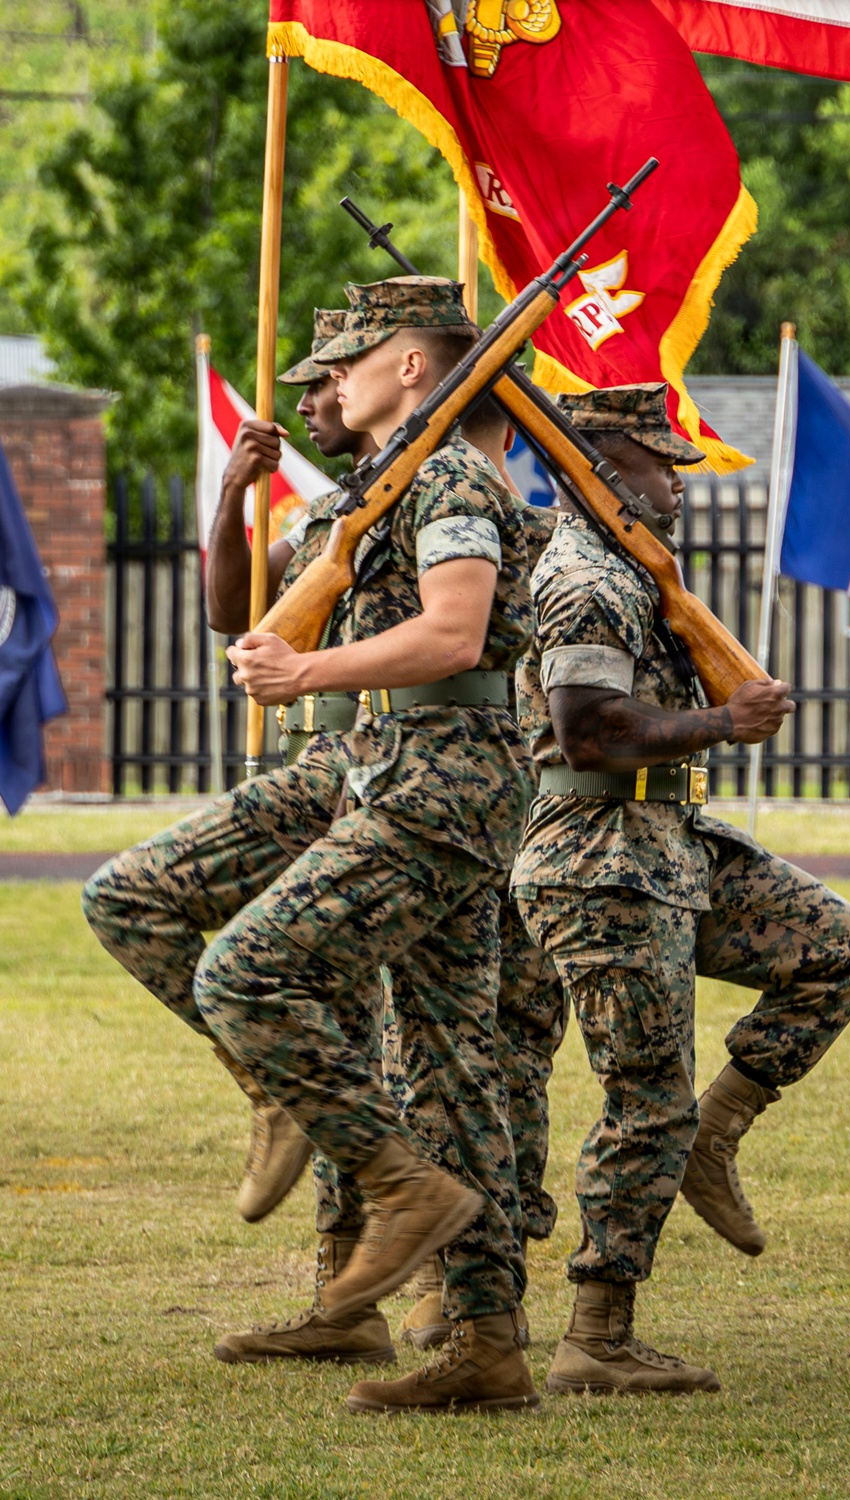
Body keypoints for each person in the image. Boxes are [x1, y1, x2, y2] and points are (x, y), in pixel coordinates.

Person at [83, 277, 540, 1415]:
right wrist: (236, 506)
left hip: (440, 780)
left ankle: (396, 1185)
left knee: (246, 970)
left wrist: (305, 675)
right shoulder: (373, 488)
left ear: (413, 367)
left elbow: (456, 629)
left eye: (342, 364)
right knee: (446, 1066)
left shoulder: (444, 479)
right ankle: (486, 1345)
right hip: (388, 774)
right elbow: (245, 614)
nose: (324, 386)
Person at [511, 383, 850, 1397]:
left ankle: (717, 1133)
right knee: (643, 1101)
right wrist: (725, 726)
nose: (674, 485)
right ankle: (596, 1334)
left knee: (838, 948)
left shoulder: (634, 571)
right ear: (602, 465)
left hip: (668, 842)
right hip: (600, 863)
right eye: (655, 465)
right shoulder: (585, 578)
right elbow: (589, 728)